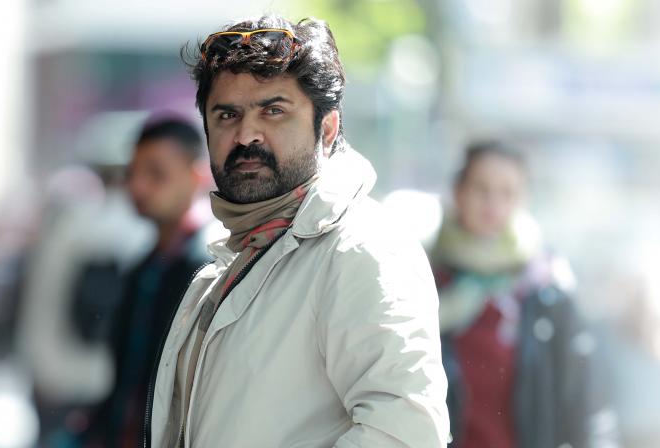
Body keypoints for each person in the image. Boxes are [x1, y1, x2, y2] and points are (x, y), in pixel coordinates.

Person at [145, 14, 450, 448]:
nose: (246, 135)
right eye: (227, 114)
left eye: (273, 111)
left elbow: (404, 434)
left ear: (326, 128)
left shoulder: (360, 250)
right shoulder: (240, 254)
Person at [430, 140, 616, 448]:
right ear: (458, 192)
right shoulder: (424, 283)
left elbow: (588, 402)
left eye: (507, 192)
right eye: (481, 189)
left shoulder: (547, 288)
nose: (492, 204)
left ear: (523, 199)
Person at [79, 117, 212, 447]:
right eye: (132, 173)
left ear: (196, 176)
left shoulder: (211, 269)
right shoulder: (142, 268)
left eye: (156, 173)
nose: (137, 186)